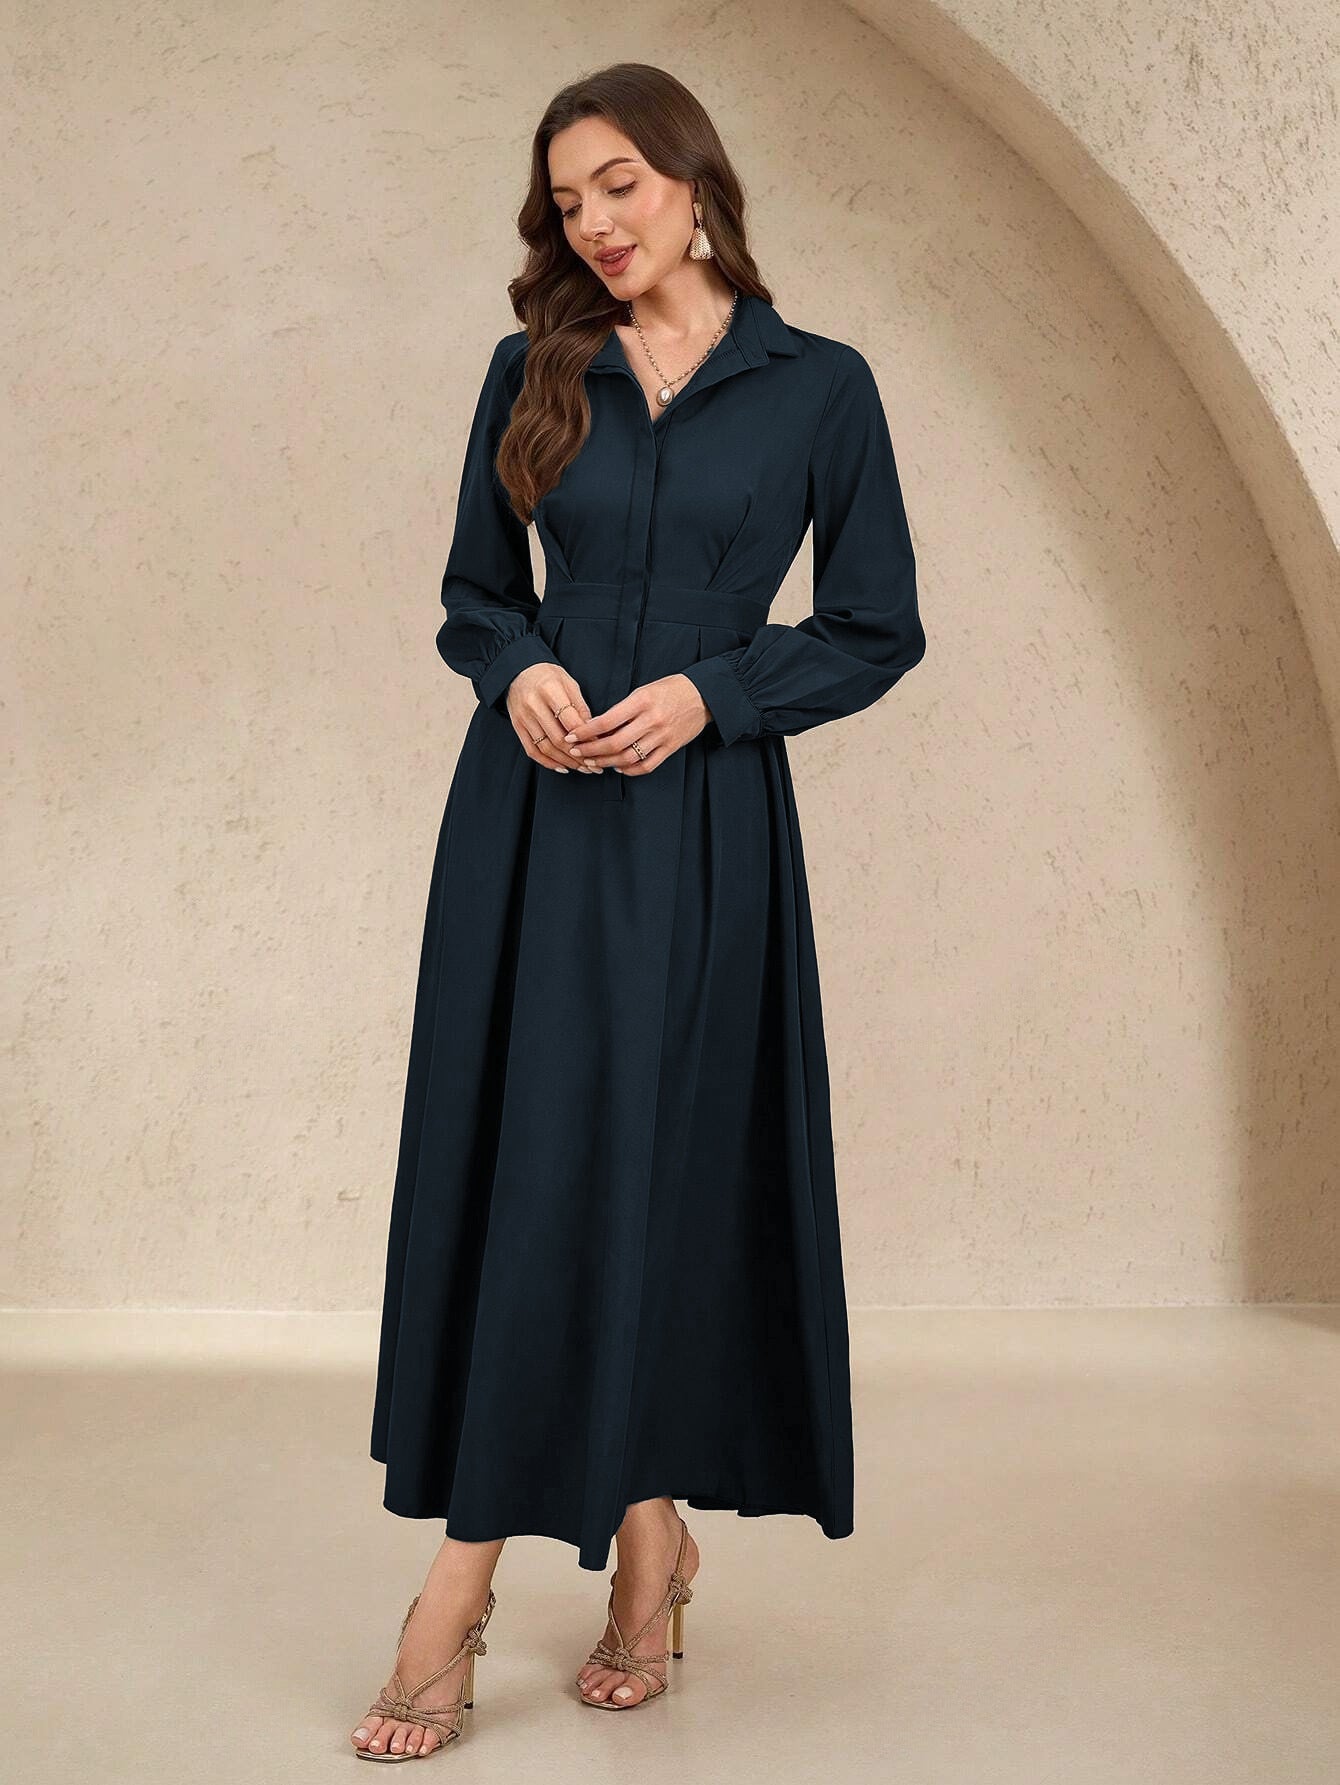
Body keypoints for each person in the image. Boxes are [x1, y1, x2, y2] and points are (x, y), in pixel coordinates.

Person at [351, 60, 926, 1760]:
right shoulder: (533, 367)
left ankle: (611, 1547)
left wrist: (718, 695)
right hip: (530, 825)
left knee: (664, 1165)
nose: (594, 222)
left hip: (703, 827)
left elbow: (877, 624)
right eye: (566, 201)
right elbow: (475, 592)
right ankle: (505, 1565)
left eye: (617, 184)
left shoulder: (821, 387)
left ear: (692, 179)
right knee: (533, 1165)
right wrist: (515, 665)